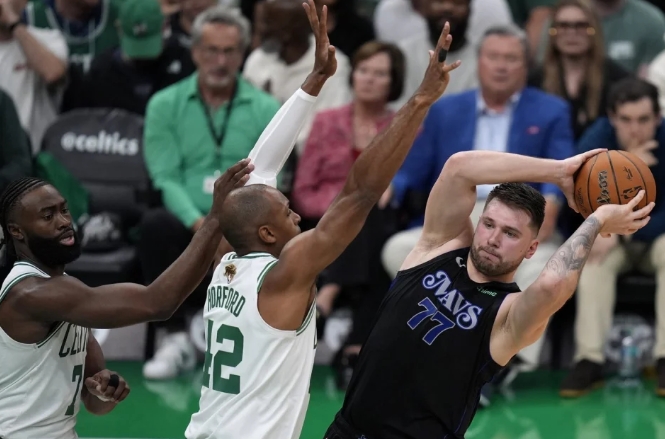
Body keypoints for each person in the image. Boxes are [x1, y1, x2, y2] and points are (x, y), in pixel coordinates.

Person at [183, 2, 461, 439]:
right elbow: (360, 194)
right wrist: (419, 101)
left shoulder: (224, 261)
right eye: (286, 211)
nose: (296, 213)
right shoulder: (283, 276)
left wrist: (314, 79)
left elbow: (260, 167)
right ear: (267, 233)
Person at [322, 149, 655, 439]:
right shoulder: (439, 247)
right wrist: (558, 171)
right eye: (489, 224)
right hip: (344, 431)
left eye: (510, 233)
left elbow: (551, 285)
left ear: (531, 249)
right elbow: (459, 167)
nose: (493, 239)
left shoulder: (507, 315)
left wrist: (597, 219)